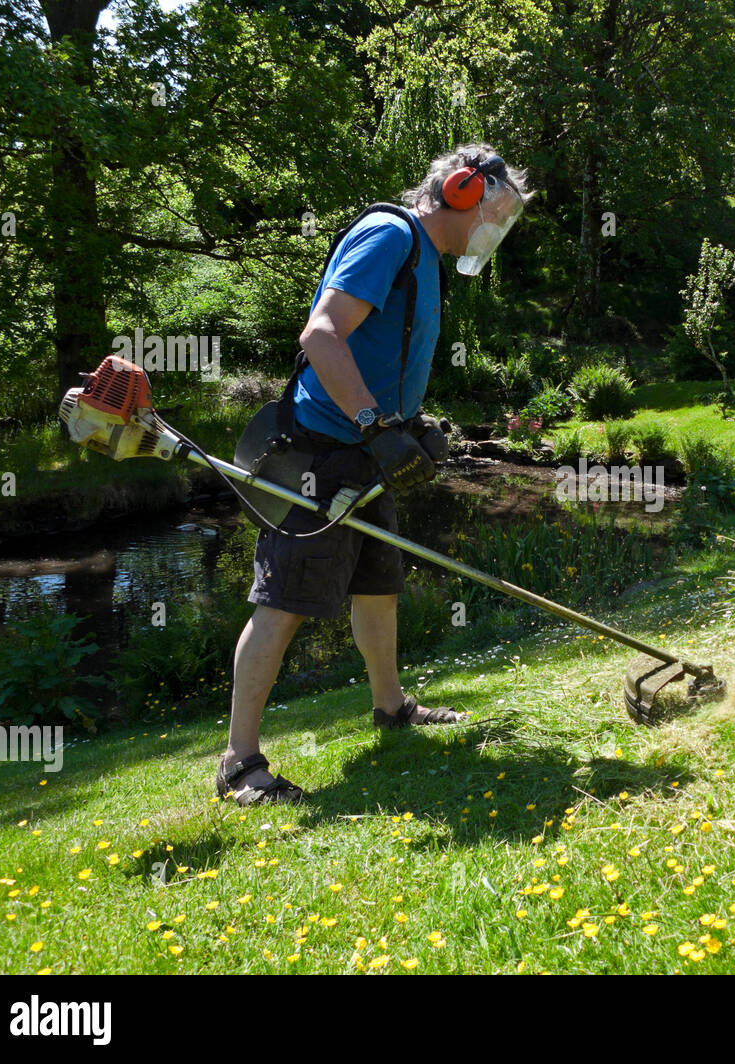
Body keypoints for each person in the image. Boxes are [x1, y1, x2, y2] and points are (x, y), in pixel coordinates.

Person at [216, 145, 531, 806]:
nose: (492, 233)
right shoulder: (389, 236)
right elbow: (321, 334)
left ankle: (391, 706)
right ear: (462, 192)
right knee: (282, 604)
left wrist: (407, 424)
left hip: (367, 449)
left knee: (377, 585)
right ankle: (239, 763)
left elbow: (377, 350)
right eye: (493, 216)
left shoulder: (424, 256)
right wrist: (372, 423)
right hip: (323, 453)